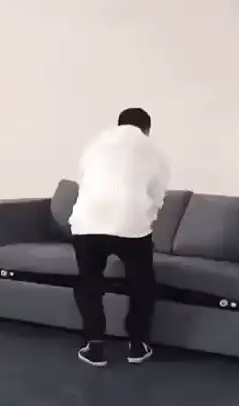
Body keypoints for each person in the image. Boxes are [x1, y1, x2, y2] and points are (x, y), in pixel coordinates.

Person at [69, 108, 170, 367]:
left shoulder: (94, 144)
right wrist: (146, 219)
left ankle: (94, 346)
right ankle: (137, 345)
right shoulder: (152, 150)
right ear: (147, 129)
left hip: (87, 221)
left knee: (89, 283)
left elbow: (84, 181)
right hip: (131, 223)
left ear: (119, 124)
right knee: (142, 284)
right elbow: (158, 195)